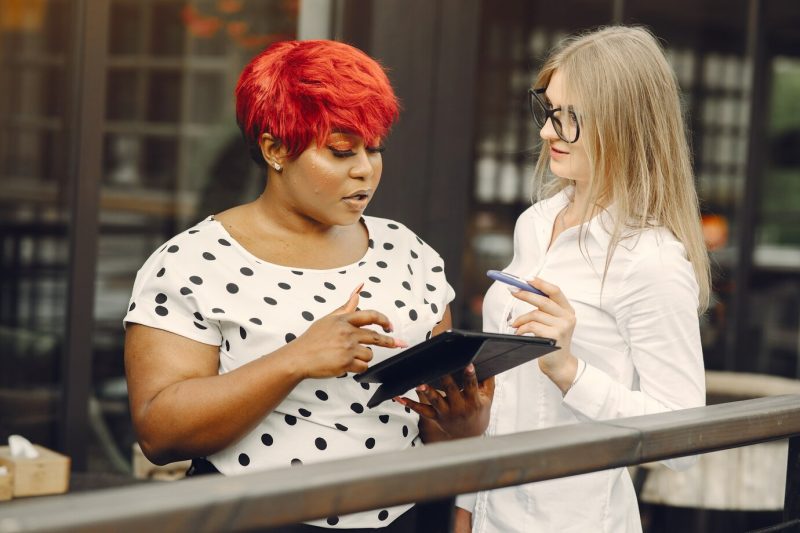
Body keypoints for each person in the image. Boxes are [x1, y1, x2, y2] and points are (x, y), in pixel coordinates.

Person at [123, 39, 493, 532]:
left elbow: (432, 437)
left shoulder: (410, 252)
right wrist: (296, 359)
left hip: (406, 516)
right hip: (257, 518)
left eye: (374, 148)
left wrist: (460, 425)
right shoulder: (195, 261)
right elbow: (159, 431)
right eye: (341, 151)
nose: (365, 168)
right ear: (275, 149)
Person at [450, 26, 710, 533]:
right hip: (488, 517)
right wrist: (466, 508)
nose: (547, 132)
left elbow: (684, 444)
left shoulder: (651, 260)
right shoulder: (537, 222)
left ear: (624, 125)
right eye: (547, 111)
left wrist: (570, 370)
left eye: (568, 118)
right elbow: (505, 399)